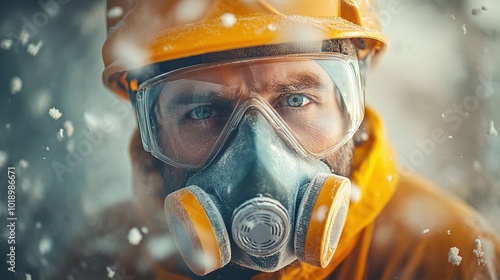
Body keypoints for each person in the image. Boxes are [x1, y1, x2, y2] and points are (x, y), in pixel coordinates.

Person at [61, 0, 500, 279]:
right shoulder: (106, 259)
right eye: (202, 111)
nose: (260, 150)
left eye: (295, 98)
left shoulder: (448, 256)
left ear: (354, 104)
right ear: (148, 128)